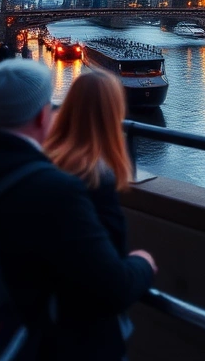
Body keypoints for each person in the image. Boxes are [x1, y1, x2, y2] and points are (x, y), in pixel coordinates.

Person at [0, 60, 156, 359]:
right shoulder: (54, 190)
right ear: (42, 115)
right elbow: (110, 288)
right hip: (39, 343)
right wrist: (143, 263)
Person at [45, 70, 139, 356]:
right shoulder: (96, 182)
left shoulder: (45, 166)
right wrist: (144, 265)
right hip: (84, 339)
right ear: (113, 116)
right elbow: (112, 284)